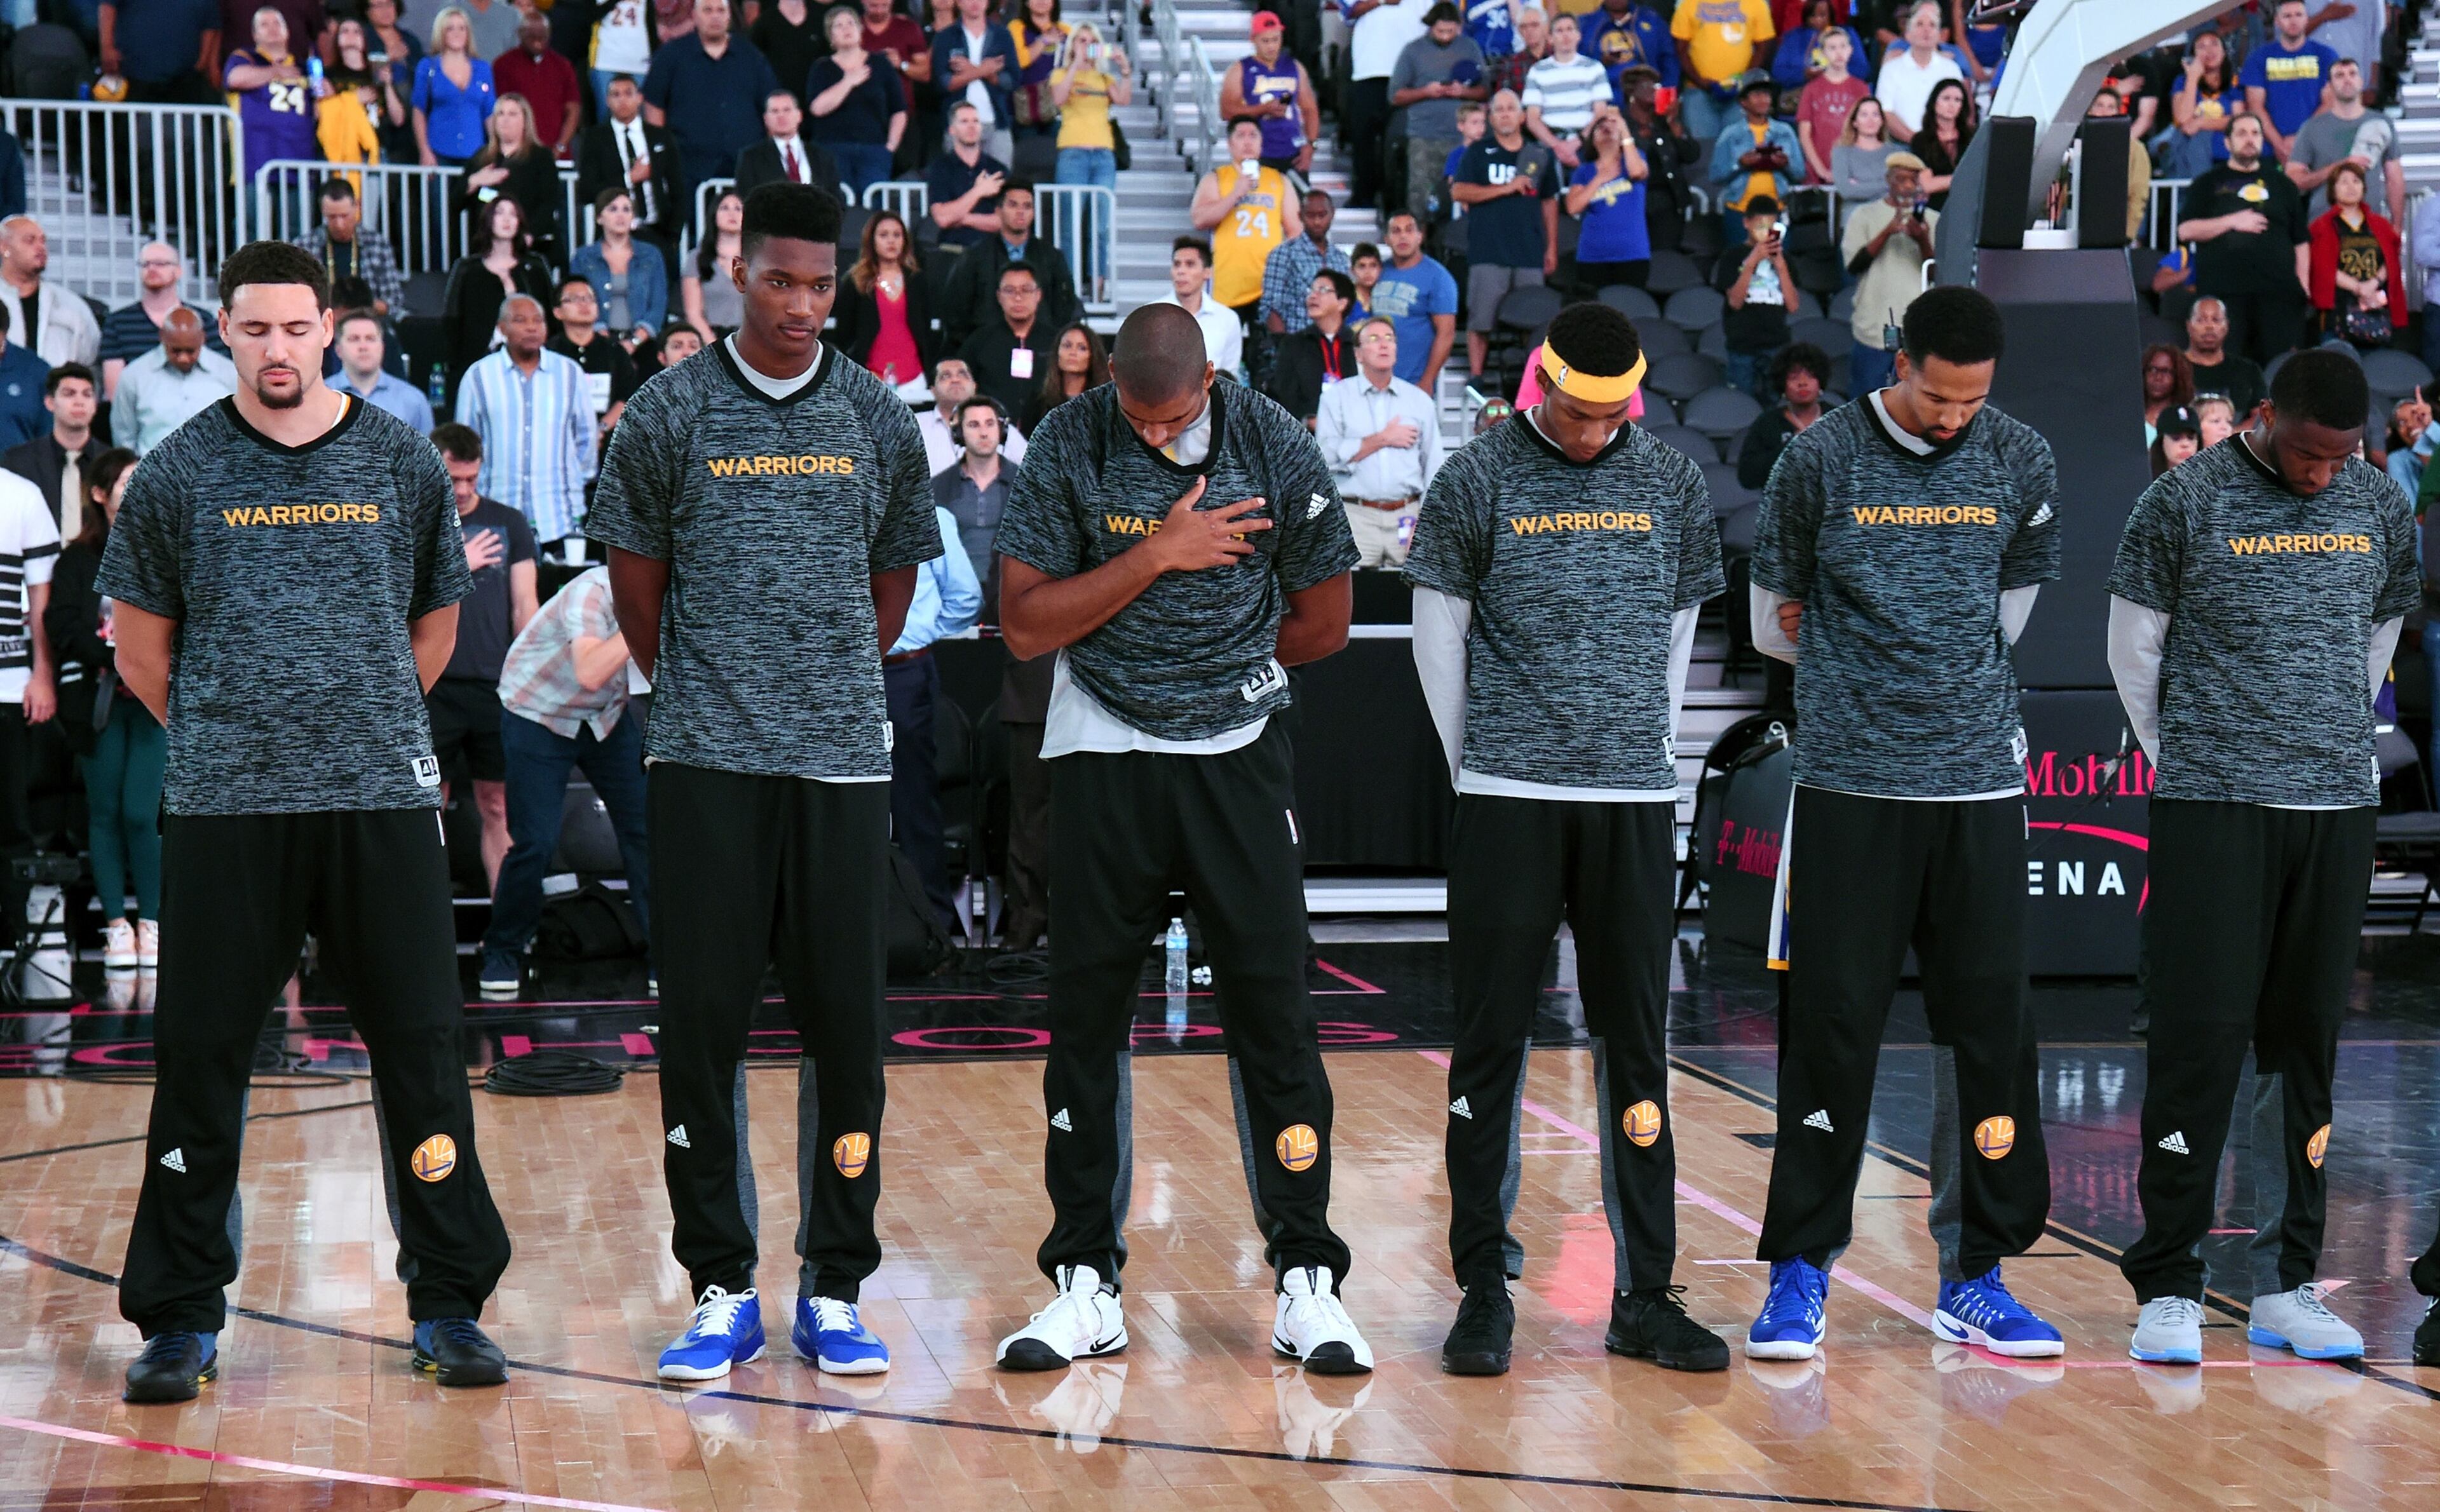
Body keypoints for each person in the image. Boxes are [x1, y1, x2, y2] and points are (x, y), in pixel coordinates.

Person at [105, 238, 513, 1405]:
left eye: (297, 328)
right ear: (218, 330)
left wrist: (363, 718)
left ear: (328, 326)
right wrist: (240, 731)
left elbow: (434, 628)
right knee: (200, 1060)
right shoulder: (179, 469)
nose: (277, 349)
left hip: (381, 801)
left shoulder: (398, 455)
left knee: (425, 1054)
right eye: (255, 329)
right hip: (232, 810)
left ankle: (448, 1302)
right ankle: (180, 1317)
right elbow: (141, 652)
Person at [588, 182, 940, 1386]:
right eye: (779, 281)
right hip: (703, 765)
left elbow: (892, 592)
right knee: (703, 1034)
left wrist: (822, 674)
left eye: (820, 283)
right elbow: (638, 592)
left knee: (848, 1032)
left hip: (842, 765)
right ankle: (721, 1284)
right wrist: (704, 686)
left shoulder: (880, 413)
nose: (801, 305)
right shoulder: (668, 414)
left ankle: (835, 1287)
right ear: (736, 271)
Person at [988, 300, 1369, 1376]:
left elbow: (1328, 617)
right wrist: (1157, 554)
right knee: (1084, 1022)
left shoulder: (1271, 440)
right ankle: (1083, 1282)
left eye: (1171, 419)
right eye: (1136, 416)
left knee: (1275, 1015)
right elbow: (1023, 621)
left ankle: (1306, 1276)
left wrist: (1217, 678)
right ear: (1109, 381)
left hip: (1238, 754)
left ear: (1209, 384)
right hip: (1101, 751)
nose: (1152, 436)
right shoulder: (1072, 438)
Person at [1406, 297, 1726, 1377]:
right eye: (1577, 414)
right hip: (1506, 799)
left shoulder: (1673, 483)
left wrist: (1642, 750)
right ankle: (1483, 1288)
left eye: (1610, 415)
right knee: (1490, 1044)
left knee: (1636, 1046)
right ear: (1542, 385)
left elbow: (1681, 638)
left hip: (1630, 804)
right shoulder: (1478, 477)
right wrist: (1478, 771)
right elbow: (1437, 634)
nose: (1592, 432)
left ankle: (1644, 1292)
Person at [1744, 285, 2062, 1365]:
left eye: (1973, 401)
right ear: (1898, 364)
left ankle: (1976, 1275)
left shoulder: (2021, 457)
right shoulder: (1820, 459)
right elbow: (1767, 616)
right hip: (1850, 788)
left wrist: (1945, 670)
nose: (1954, 417)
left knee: (1992, 1038)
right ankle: (1801, 1269)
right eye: (1938, 396)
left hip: (1977, 788)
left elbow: (2012, 606)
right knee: (1829, 1035)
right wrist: (1859, 670)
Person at [2108, 348, 2415, 1368]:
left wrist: (2322, 734)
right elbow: (2133, 650)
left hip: (2333, 807)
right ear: (2265, 417)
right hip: (2213, 806)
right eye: (2307, 454)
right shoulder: (2182, 502)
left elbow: (2379, 634)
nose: (2323, 474)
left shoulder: (2379, 503)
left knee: (2305, 1047)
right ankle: (2170, 1281)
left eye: (2342, 458)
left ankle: (2286, 1281)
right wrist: (2195, 759)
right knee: (2198, 1042)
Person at [480, 564, 653, 996]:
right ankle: (503, 951)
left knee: (647, 832)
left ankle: (664, 954)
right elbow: (591, 670)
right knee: (535, 841)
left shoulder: (665, 595)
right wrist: (642, 619)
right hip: (538, 712)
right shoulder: (592, 593)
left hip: (605, 716)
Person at [45, 448, 161, 970]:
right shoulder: (77, 559)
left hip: (155, 701)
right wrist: (118, 659)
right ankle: (115, 924)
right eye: (126, 481)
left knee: (143, 813)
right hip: (98, 702)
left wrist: (146, 666)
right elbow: (64, 625)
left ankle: (153, 921)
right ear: (100, 493)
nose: (137, 488)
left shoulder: (165, 549)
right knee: (105, 813)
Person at [424, 421, 537, 901]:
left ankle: (507, 931)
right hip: (435, 684)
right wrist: (458, 562)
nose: (465, 491)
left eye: (472, 479)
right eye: (455, 481)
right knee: (431, 807)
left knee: (498, 804)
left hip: (496, 685)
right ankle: (425, 929)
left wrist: (527, 677)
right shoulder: (417, 522)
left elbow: (525, 607)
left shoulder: (509, 521)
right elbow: (400, 602)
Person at [886, 501, 982, 932]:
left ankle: (933, 929)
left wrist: (918, 632)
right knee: (827, 803)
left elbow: (966, 598)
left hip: (903, 670)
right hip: (837, 674)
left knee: (913, 801)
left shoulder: (930, 515)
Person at [458, 295, 597, 551]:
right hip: (495, 516)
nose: (532, 328)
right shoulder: (479, 377)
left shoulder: (569, 373)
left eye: (538, 321)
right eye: (520, 321)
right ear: (501, 329)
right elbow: (465, 447)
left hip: (560, 517)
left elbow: (586, 438)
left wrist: (574, 478)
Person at [2179, 114, 2311, 368]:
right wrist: (2232, 221)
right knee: (2230, 368)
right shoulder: (2207, 184)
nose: (2250, 140)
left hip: (2278, 295)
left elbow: (2301, 241)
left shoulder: (2283, 184)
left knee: (2280, 370)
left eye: (2255, 134)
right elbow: (2186, 230)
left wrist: (2302, 286)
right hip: (2225, 295)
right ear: (2227, 143)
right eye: (2241, 134)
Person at [1317, 316, 1442, 569]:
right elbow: (1325, 457)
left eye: (1390, 339)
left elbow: (1435, 467)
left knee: (1411, 601)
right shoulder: (1336, 398)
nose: (1383, 345)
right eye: (1373, 339)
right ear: (1359, 354)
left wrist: (1428, 522)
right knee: (1357, 601)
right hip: (1356, 515)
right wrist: (1383, 439)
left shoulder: (1419, 401)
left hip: (1408, 516)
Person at [1454, 86, 1560, 381]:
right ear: (1491, 117)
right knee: (1481, 320)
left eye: (1510, 108)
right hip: (1488, 249)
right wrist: (1507, 188)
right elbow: (1459, 191)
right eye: (1498, 109)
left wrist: (1551, 248)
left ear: (1522, 116)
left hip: (1529, 250)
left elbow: (1550, 203)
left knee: (1533, 321)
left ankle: (1533, 381)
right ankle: (1476, 377)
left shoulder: (1540, 154)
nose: (1504, 114)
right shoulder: (1478, 152)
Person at [644, 0, 783, 192]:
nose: (715, 16)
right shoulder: (671, 55)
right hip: (688, 167)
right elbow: (654, 105)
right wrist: (660, 152)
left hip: (745, 166)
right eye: (708, 10)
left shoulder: (751, 56)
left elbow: (771, 106)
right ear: (694, 16)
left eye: (721, 10)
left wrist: (770, 157)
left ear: (729, 16)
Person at [1193, 119, 1300, 360]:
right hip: (1227, 285)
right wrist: (1236, 194)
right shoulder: (1217, 178)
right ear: (1230, 144)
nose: (1247, 141)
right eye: (1240, 135)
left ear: (1262, 144)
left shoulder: (1279, 180)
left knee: (1265, 361)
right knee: (1221, 359)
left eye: (1253, 135)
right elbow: (1200, 218)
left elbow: (1295, 231)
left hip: (1268, 284)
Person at [938, 180, 1081, 350]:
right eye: (1013, 205)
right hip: (986, 352)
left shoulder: (1052, 257)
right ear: (998, 211)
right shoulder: (975, 257)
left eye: (1027, 206)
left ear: (1034, 213)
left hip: (1041, 352)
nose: (1021, 212)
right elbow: (955, 311)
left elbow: (1065, 308)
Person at [440, 197, 555, 407]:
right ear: (488, 219)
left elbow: (550, 313)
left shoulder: (535, 266)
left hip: (532, 362)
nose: (507, 220)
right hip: (479, 361)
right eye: (500, 213)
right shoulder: (467, 268)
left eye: (513, 214)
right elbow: (453, 319)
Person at [1840, 151, 1934, 396]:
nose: (1906, 186)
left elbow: (1937, 273)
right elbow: (1853, 266)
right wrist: (1887, 232)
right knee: (1867, 408)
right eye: (1900, 179)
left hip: (1919, 334)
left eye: (1912, 180)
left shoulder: (1933, 220)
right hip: (1874, 331)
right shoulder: (1863, 216)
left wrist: (1923, 239)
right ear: (1888, 180)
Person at [1391, 4, 1489, 222]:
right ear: (1430, 27)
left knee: (1464, 195)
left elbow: (1485, 91)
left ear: (1459, 27)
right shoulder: (1413, 51)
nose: (1445, 37)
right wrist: (1425, 92)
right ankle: (1421, 246)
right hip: (1423, 138)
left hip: (1463, 140)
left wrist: (1463, 92)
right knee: (1420, 199)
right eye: (1440, 31)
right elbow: (1395, 95)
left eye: (1451, 32)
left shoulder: (1470, 47)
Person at [577, 73, 689, 253]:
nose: (623, 100)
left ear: (640, 98)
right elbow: (587, 190)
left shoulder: (661, 137)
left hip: (657, 233)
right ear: (607, 101)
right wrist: (629, 178)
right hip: (611, 236)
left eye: (628, 93)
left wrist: (673, 235)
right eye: (616, 95)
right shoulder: (595, 138)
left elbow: (677, 188)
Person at [2284, 56, 2403, 224]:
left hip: (2369, 225)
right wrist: (2338, 168)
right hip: (2323, 227)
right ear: (2330, 86)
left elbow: (2394, 179)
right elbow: (2293, 181)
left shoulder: (2382, 124)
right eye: (2339, 76)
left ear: (2362, 82)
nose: (2347, 80)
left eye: (2353, 74)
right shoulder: (2311, 127)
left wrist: (2397, 226)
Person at [807, 4, 910, 196]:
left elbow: (899, 110)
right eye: (839, 25)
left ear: (860, 30)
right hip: (832, 150)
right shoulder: (822, 68)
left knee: (874, 207)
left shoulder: (880, 64)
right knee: (837, 205)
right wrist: (848, 82)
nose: (847, 28)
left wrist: (890, 147)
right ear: (831, 36)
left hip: (874, 149)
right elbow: (817, 108)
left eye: (851, 23)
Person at [112, 309, 239, 456]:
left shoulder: (230, 374)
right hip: (153, 474)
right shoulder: (134, 376)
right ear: (162, 337)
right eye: (176, 351)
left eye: (190, 351)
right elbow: (124, 439)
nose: (183, 358)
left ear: (203, 338)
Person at [459, 93, 566, 267]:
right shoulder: (481, 158)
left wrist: (528, 234)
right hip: (488, 249)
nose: (505, 120)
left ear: (526, 121)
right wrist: (474, 181)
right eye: (500, 114)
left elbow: (549, 202)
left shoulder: (541, 157)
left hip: (530, 246)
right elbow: (455, 203)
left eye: (512, 114)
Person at [2308, 161, 2404, 351]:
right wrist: (2359, 288)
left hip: (2376, 311)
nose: (2351, 187)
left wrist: (2373, 284)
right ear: (2333, 190)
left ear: (2364, 187)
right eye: (2344, 182)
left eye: (2356, 181)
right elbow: (2323, 268)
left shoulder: (2381, 225)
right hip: (2338, 312)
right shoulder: (2322, 226)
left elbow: (2392, 260)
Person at [835, 211, 933, 389]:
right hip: (870, 378)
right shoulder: (856, 281)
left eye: (897, 235)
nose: (891, 241)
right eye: (884, 235)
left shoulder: (917, 281)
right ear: (871, 240)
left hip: (914, 377)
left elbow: (926, 331)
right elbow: (844, 334)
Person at [1345, 0, 1427, 210]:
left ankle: (1398, 203)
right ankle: (1364, 195)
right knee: (1364, 137)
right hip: (1369, 69)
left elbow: (1435, 18)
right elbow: (1349, 11)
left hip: (1410, 74)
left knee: (1403, 141)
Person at [222, 7, 321, 184]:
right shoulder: (244, 58)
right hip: (255, 166)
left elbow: (320, 102)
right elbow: (235, 78)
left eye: (277, 23)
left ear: (287, 31)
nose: (272, 28)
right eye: (264, 25)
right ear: (255, 35)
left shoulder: (305, 68)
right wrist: (276, 71)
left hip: (300, 166)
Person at [290, 184, 406, 328]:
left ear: (357, 206)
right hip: (320, 325)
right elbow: (294, 298)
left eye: (344, 216)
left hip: (368, 324)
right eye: (332, 217)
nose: (339, 224)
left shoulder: (377, 244)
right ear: (323, 211)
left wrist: (361, 305)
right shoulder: (305, 246)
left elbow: (393, 302)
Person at [2239, 0, 2340, 165]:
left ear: (2307, 18)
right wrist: (2280, 145)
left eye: (2299, 15)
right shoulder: (2258, 58)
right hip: (2270, 150)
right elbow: (2255, 106)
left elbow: (2330, 103)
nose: (2293, 21)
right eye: (2287, 16)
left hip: (2317, 148)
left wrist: (2300, 141)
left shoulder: (2326, 55)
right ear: (2277, 21)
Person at [1707, 72, 1802, 245]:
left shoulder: (1785, 132)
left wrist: (1785, 164)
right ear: (1743, 102)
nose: (1764, 99)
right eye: (1757, 95)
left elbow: (1799, 173)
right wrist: (1740, 164)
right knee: (1741, 265)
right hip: (1740, 211)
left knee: (1778, 265)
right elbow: (1716, 175)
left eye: (1767, 94)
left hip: (1777, 210)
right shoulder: (1730, 134)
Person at [1718, 195, 1798, 400]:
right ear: (1747, 223)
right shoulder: (1732, 256)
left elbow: (1793, 305)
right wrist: (1752, 261)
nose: (1765, 231)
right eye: (1760, 225)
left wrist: (1780, 265)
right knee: (1742, 403)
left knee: (1777, 401)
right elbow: (1735, 302)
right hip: (1742, 344)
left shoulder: (1785, 260)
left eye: (1770, 226)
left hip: (1776, 343)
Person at [571, 190, 670, 355]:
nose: (621, 215)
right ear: (599, 218)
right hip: (596, 343)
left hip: (644, 345)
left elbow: (658, 303)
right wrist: (606, 340)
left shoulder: (651, 255)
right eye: (613, 209)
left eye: (627, 209)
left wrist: (635, 342)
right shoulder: (583, 257)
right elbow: (579, 299)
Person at [933, 393, 1013, 593]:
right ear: (958, 434)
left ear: (1001, 430)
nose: (984, 433)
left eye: (990, 424)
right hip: (953, 594)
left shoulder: (1024, 484)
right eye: (974, 425)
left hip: (1009, 593)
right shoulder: (939, 487)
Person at [3, 364, 98, 532]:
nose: (79, 402)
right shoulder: (18, 463)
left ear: (95, 404)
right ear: (50, 403)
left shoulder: (109, 464)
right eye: (69, 394)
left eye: (87, 395)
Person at [1372, 211, 1459, 393]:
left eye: (1409, 230)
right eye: (1396, 231)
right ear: (1387, 239)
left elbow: (1446, 334)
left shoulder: (1438, 277)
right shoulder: (1379, 271)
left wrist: (1428, 380)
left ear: (1421, 236)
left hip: (1413, 383)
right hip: (1373, 380)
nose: (1403, 236)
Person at [1222, 11, 1317, 177]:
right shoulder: (1240, 69)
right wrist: (1263, 109)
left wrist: (1310, 144)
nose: (1271, 46)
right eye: (1265, 41)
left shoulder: (1294, 67)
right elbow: (1226, 111)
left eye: (1276, 40)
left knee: (1296, 200)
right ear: (1253, 40)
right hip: (1257, 152)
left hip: (1292, 150)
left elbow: (1310, 109)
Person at [960, 260, 1059, 419]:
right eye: (1010, 290)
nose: (1018, 297)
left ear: (1039, 295)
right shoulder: (980, 341)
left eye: (1026, 290)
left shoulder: (1056, 341)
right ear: (999, 296)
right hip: (993, 433)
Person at [1566, 108, 1650, 293]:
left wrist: (1624, 128)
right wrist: (1599, 179)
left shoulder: (1636, 160)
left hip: (1632, 254)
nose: (1607, 128)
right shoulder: (1584, 171)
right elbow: (1573, 207)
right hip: (1592, 256)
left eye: (1612, 126)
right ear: (1593, 140)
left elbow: (1638, 172)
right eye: (1600, 127)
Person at [550, 278, 644, 441]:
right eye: (574, 299)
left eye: (589, 298)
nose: (584, 304)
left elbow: (627, 396)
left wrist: (600, 429)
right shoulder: (549, 353)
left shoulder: (615, 351)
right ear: (557, 312)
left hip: (608, 441)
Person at [0, 219, 100, 372]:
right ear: (4, 246)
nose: (41, 248)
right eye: (30, 241)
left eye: (43, 241)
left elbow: (89, 356)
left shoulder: (70, 304)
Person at [932, 0, 1020, 167]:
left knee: (999, 182)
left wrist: (971, 70)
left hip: (997, 122)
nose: (974, 3)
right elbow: (943, 84)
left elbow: (1013, 81)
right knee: (959, 183)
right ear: (958, 3)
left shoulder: (1002, 35)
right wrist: (985, 70)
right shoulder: (946, 37)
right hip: (958, 124)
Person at [1672, 0, 1775, 142]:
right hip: (1698, 92)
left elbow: (1763, 48)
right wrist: (1702, 82)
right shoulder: (1688, 3)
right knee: (1703, 153)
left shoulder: (1756, 3)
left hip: (1740, 96)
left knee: (1738, 152)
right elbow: (1680, 50)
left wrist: (1743, 83)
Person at [1268, 269, 1360, 426]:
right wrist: (1308, 420)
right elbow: (1283, 395)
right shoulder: (1293, 344)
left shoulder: (1358, 344)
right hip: (1306, 434)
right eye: (1311, 290)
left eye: (1323, 290)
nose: (1313, 295)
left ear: (1342, 303)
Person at [1735, 340, 1829, 488]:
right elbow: (1747, 477)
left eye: (1810, 376)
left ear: (1820, 383)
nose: (1803, 383)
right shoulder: (1768, 423)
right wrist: (1789, 448)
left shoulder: (1839, 418)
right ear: (1783, 386)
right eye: (1794, 378)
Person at [1523, 12, 1611, 170]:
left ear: (1579, 36)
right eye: (1560, 31)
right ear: (1550, 38)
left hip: (1587, 144)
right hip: (1550, 145)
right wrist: (1558, 147)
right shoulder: (1537, 71)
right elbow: (1532, 119)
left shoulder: (1594, 68)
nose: (1566, 35)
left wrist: (1576, 143)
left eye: (1570, 29)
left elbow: (1601, 113)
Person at [1150, 238, 1245, 384]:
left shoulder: (1227, 319)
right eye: (1177, 265)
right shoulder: (1153, 314)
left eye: (1190, 265)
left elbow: (1229, 376)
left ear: (1207, 272)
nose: (1181, 271)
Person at [413, 7, 499, 168]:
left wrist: (495, 151)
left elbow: (489, 113)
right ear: (441, 33)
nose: (457, 33)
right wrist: (424, 151)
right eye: (450, 28)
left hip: (476, 152)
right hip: (439, 152)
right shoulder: (427, 67)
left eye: (462, 28)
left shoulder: (482, 69)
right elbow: (419, 111)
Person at [1260, 190, 1350, 341]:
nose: (1317, 221)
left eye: (1322, 215)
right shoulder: (1284, 254)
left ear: (1332, 214)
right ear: (1300, 215)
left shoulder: (1340, 258)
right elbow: (1271, 309)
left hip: (1335, 344)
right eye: (1310, 215)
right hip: (1298, 343)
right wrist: (1286, 348)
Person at [918, 356, 1029, 475]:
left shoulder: (1000, 427)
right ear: (933, 390)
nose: (955, 380)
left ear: (975, 386)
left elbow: (1032, 473)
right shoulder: (914, 425)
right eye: (946, 376)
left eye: (962, 375)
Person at [492, 10, 582, 156]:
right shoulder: (503, 65)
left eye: (542, 34)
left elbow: (573, 110)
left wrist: (560, 147)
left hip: (556, 153)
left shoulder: (563, 66)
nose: (537, 39)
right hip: (517, 154)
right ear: (520, 34)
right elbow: (500, 111)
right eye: (531, 34)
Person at [333, 309, 436, 432]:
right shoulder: (317, 397)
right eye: (354, 339)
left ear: (382, 347)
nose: (363, 347)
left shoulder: (413, 401)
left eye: (370, 339)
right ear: (338, 350)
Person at [1871, 1, 1960, 140]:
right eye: (1919, 24)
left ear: (1939, 35)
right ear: (1907, 35)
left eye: (1932, 25)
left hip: (1942, 146)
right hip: (1901, 146)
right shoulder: (1891, 69)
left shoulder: (1951, 69)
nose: (1926, 30)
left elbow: (1959, 112)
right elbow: (1886, 111)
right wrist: (1915, 140)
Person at [930, 103, 1012, 252]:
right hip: (952, 250)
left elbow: (1006, 221)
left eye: (976, 121)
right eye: (964, 122)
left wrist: (962, 218)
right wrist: (979, 191)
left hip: (991, 252)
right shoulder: (940, 168)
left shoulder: (998, 170)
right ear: (952, 130)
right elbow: (942, 218)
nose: (972, 126)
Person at [736, 87, 843, 198]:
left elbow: (836, 198)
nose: (781, 116)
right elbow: (746, 199)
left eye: (787, 110)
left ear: (799, 116)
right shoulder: (751, 157)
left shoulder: (822, 156)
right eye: (775, 111)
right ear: (766, 119)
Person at [2160, 29, 2236, 181]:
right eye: (2202, 47)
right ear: (2193, 56)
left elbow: (2238, 119)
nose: (2209, 50)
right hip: (2189, 151)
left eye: (2215, 44)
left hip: (2225, 149)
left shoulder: (2235, 82)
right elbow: (2183, 119)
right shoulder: (2182, 81)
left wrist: (2201, 122)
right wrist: (2193, 78)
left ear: (2224, 52)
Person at [1793, 24, 1866, 184]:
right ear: (1823, 53)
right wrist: (1822, 171)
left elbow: (1867, 132)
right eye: (1832, 48)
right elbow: (1805, 134)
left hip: (1854, 172)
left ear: (1851, 50)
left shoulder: (1861, 89)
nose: (1839, 53)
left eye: (1843, 46)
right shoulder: (1812, 89)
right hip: (1818, 172)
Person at [2182, 295, 2264, 419]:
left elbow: (2260, 419)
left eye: (2216, 320)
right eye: (2202, 320)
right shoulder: (2172, 368)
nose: (2209, 326)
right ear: (2189, 326)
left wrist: (2227, 436)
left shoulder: (2248, 370)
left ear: (2226, 326)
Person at [684, 188, 749, 341]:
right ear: (714, 215)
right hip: (710, 339)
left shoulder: (757, 259)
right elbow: (693, 314)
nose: (732, 214)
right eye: (725, 208)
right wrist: (714, 347)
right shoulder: (696, 258)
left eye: (738, 208)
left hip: (750, 341)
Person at [1026, 321, 1108, 433]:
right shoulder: (1038, 403)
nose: (1073, 353)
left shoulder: (1104, 403)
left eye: (1082, 348)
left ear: (1093, 356)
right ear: (1057, 352)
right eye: (1067, 346)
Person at [1908, 76, 1972, 211]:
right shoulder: (1921, 140)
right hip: (1936, 209)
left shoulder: (1973, 136)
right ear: (1934, 102)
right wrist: (1963, 178)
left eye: (1957, 100)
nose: (1952, 105)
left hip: (1969, 206)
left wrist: (1944, 181)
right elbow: (1927, 185)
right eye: (1946, 98)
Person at [752, 0, 827, 111]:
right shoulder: (765, 23)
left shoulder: (820, 16)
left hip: (818, 102)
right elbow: (754, 64)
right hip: (781, 107)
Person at [1583, 0, 1677, 86]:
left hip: (1646, 93)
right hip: (1601, 93)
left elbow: (1669, 59)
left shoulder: (1652, 20)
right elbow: (1575, 63)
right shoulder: (1586, 24)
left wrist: (1667, 91)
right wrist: (1600, 61)